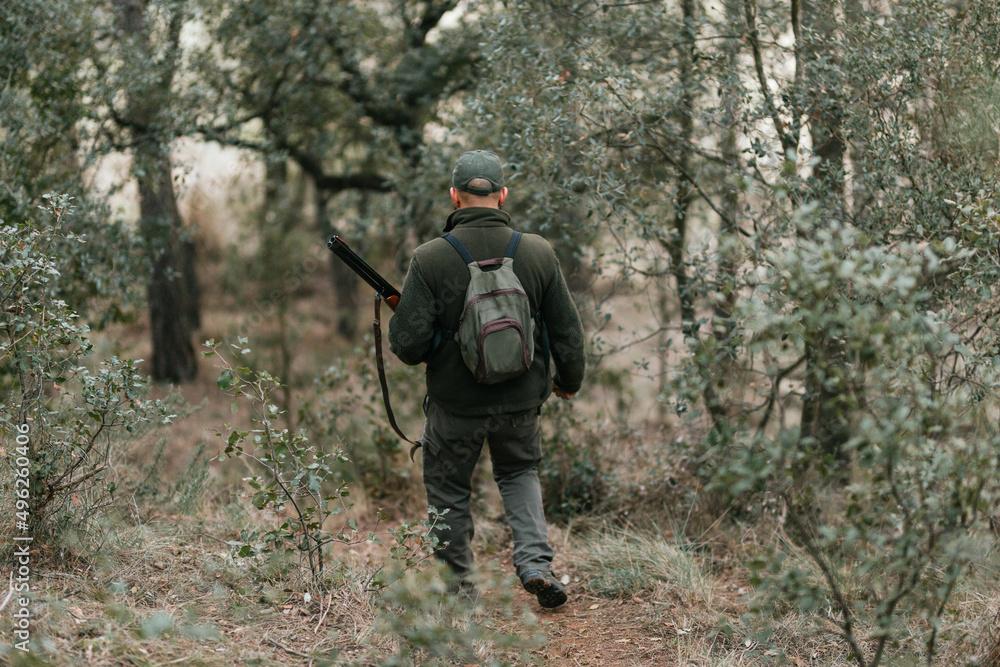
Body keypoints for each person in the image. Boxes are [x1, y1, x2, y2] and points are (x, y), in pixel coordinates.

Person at [388, 150, 586, 608]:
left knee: (449, 489)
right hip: (519, 403)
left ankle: (460, 589)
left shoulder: (431, 258)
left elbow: (407, 346)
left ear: (454, 195)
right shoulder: (536, 251)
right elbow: (568, 331)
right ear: (502, 194)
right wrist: (568, 381)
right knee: (519, 472)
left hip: (455, 407)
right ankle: (536, 564)